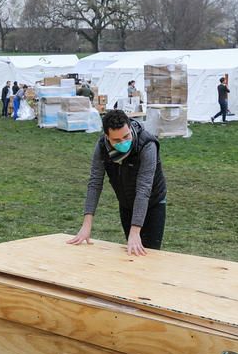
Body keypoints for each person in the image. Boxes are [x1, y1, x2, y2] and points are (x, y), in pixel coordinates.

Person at [68, 109, 168, 256]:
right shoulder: (102, 147)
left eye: (126, 136)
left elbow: (144, 188)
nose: (123, 142)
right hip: (126, 203)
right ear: (107, 137)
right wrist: (86, 225)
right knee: (132, 252)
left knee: (148, 254)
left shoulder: (147, 145)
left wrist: (135, 231)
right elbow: (95, 183)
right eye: (117, 140)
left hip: (153, 202)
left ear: (129, 128)